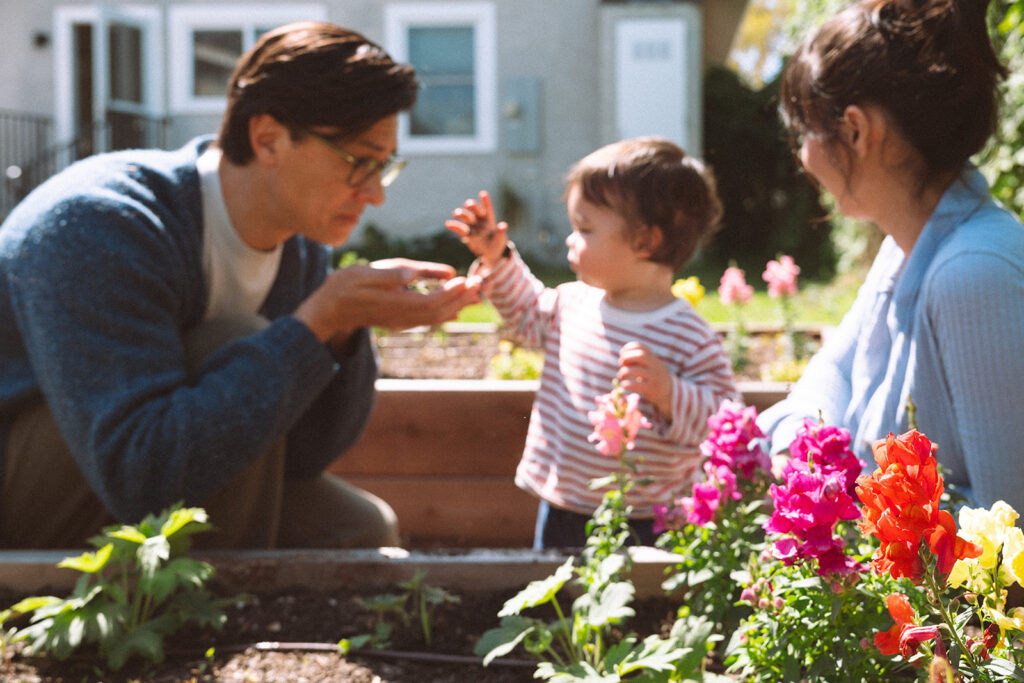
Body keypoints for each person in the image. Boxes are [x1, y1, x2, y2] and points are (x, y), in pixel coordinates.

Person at [0, 21, 482, 549]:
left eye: (383, 167)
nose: (374, 195)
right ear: (268, 138)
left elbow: (301, 457)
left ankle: (233, 608)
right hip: (34, 488)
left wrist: (341, 332)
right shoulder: (100, 224)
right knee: (232, 343)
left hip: (137, 481)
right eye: (356, 162)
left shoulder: (298, 250)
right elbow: (142, 475)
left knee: (358, 530)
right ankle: (215, 623)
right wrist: (313, 323)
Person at [756, 0, 1024, 513]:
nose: (802, 157)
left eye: (804, 132)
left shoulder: (974, 276)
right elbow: (831, 374)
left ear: (856, 131)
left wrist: (844, 500)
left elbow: (1008, 531)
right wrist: (803, 452)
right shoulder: (908, 246)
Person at [445, 138, 738, 549]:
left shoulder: (690, 336)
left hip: (653, 518)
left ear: (645, 242)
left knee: (645, 606)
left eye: (584, 229)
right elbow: (527, 313)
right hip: (564, 504)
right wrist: (496, 258)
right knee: (560, 604)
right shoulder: (572, 304)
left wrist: (670, 393)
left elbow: (726, 420)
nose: (570, 239)